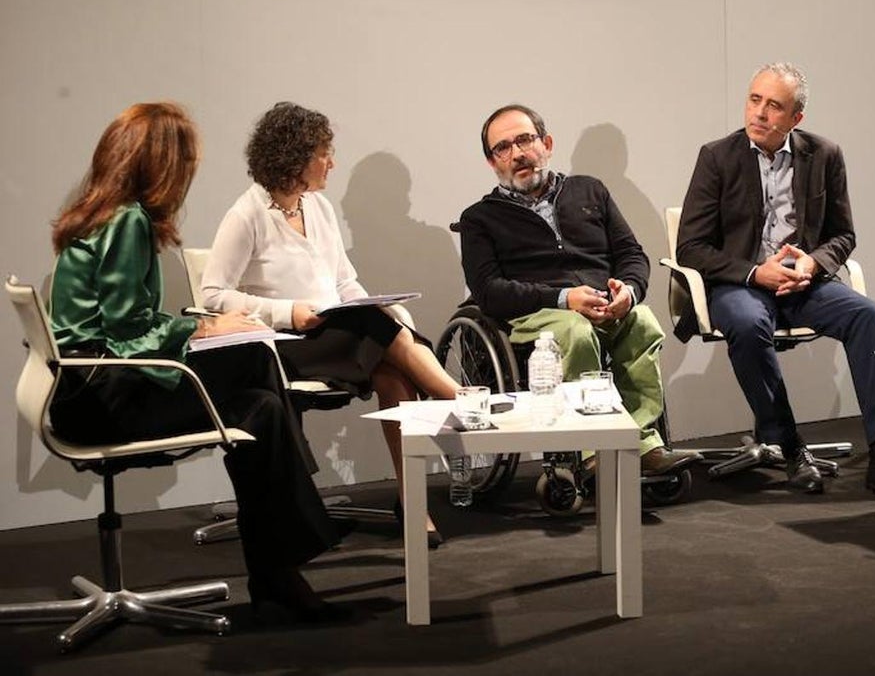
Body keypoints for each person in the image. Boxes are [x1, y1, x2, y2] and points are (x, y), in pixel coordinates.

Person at [48, 102, 348, 623]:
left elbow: (127, 324)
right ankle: (287, 552)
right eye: (187, 160)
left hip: (86, 389)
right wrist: (202, 327)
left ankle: (276, 571)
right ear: (163, 162)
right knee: (254, 357)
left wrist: (208, 328)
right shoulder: (127, 221)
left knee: (259, 409)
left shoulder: (101, 213)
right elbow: (127, 333)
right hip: (104, 396)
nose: (190, 172)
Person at [200, 101, 460, 548]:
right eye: (324, 153)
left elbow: (344, 281)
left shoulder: (318, 207)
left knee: (391, 368)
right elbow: (212, 296)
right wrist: (288, 312)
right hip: (283, 345)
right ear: (295, 157)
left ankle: (412, 500)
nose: (331, 162)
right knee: (374, 333)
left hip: (336, 335)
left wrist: (376, 307)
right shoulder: (247, 215)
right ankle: (456, 398)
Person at [676, 62, 875, 502]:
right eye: (754, 99)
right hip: (739, 284)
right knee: (747, 323)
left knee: (866, 314)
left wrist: (812, 265)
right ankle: (792, 447)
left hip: (802, 284)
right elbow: (691, 247)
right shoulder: (717, 157)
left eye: (774, 106)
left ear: (796, 118)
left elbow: (843, 234)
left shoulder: (825, 154)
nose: (759, 113)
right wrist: (754, 271)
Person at [456, 103, 699, 475]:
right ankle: (592, 451)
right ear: (492, 162)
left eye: (525, 140)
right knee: (575, 330)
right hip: (538, 314)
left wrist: (628, 291)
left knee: (643, 322)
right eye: (503, 147)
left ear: (547, 144)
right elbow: (489, 291)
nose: (517, 153)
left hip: (605, 303)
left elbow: (632, 254)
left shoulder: (589, 190)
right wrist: (564, 299)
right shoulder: (480, 218)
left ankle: (643, 443)